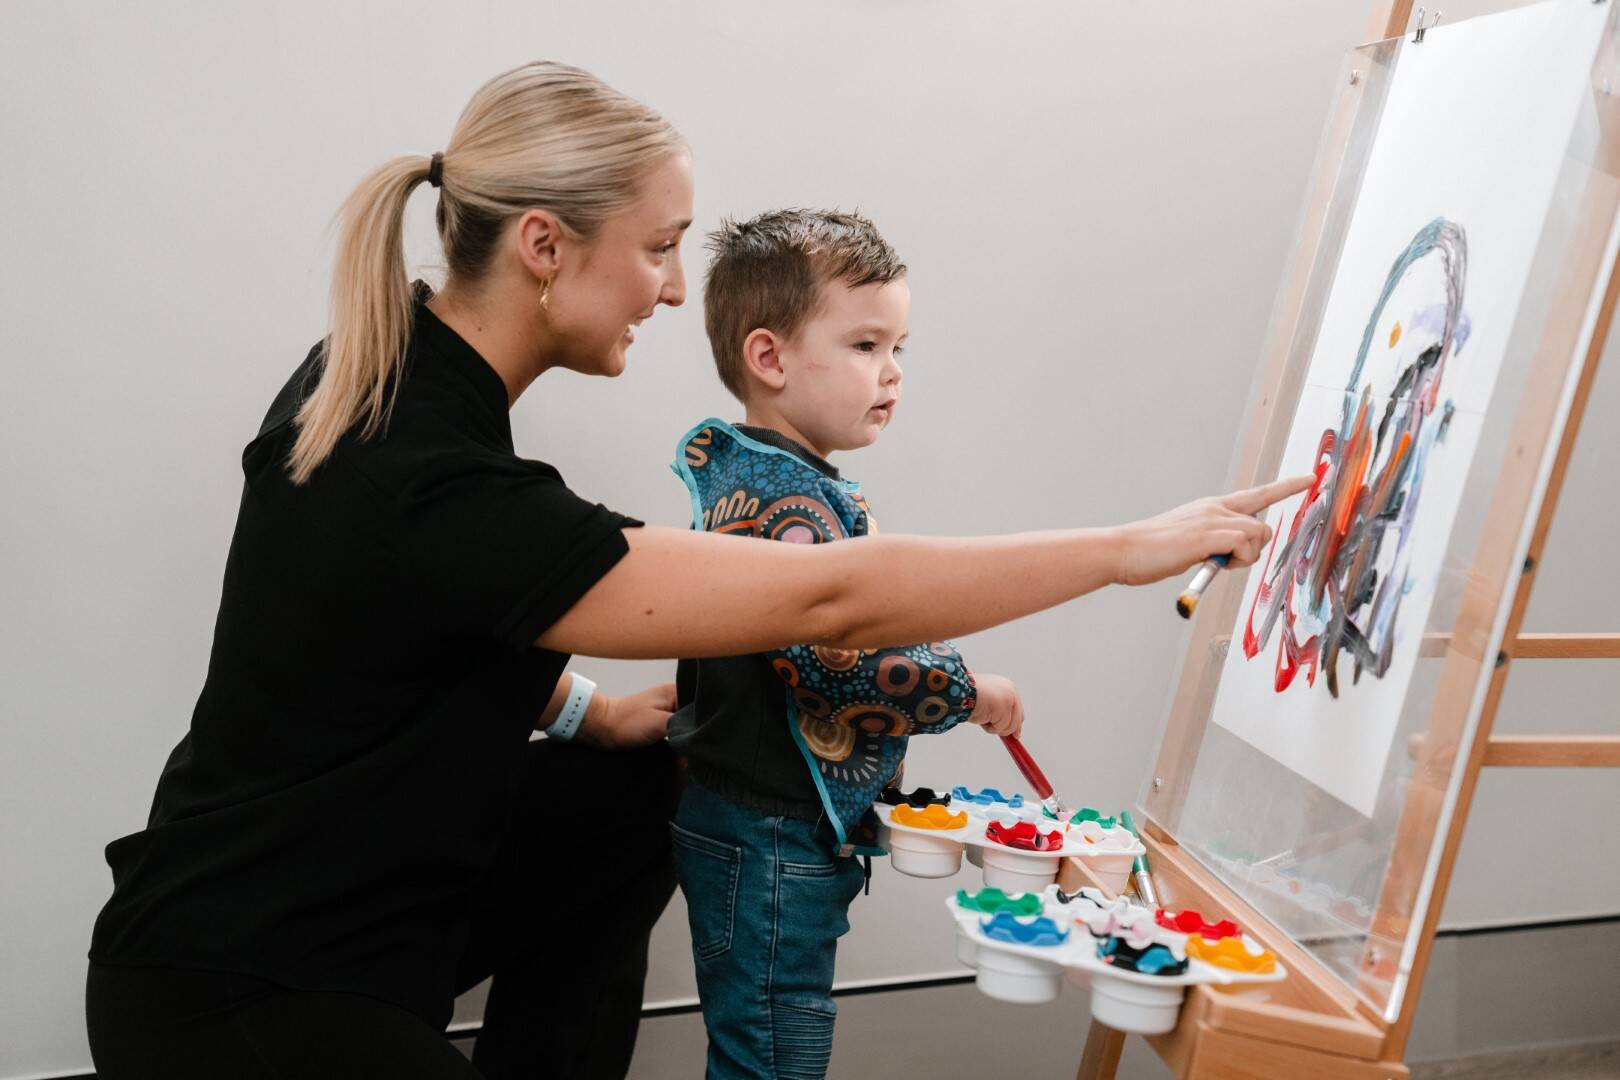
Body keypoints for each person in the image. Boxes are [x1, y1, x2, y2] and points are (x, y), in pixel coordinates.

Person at [84, 60, 1306, 1080]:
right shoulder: (432, 480)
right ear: (547, 246)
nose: (674, 289)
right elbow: (832, 594)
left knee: (635, 788)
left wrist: (591, 712)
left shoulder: (383, 374)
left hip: (359, 922)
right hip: (237, 985)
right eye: (660, 249)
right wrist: (1125, 551)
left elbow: (389, 634)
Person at [667, 207, 1029, 1079]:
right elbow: (841, 663)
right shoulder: (784, 507)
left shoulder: (767, 478)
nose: (893, 373)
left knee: (771, 1038)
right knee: (775, 1054)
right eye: (867, 346)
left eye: (900, 348)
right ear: (770, 358)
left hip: (762, 828)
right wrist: (969, 691)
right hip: (769, 838)